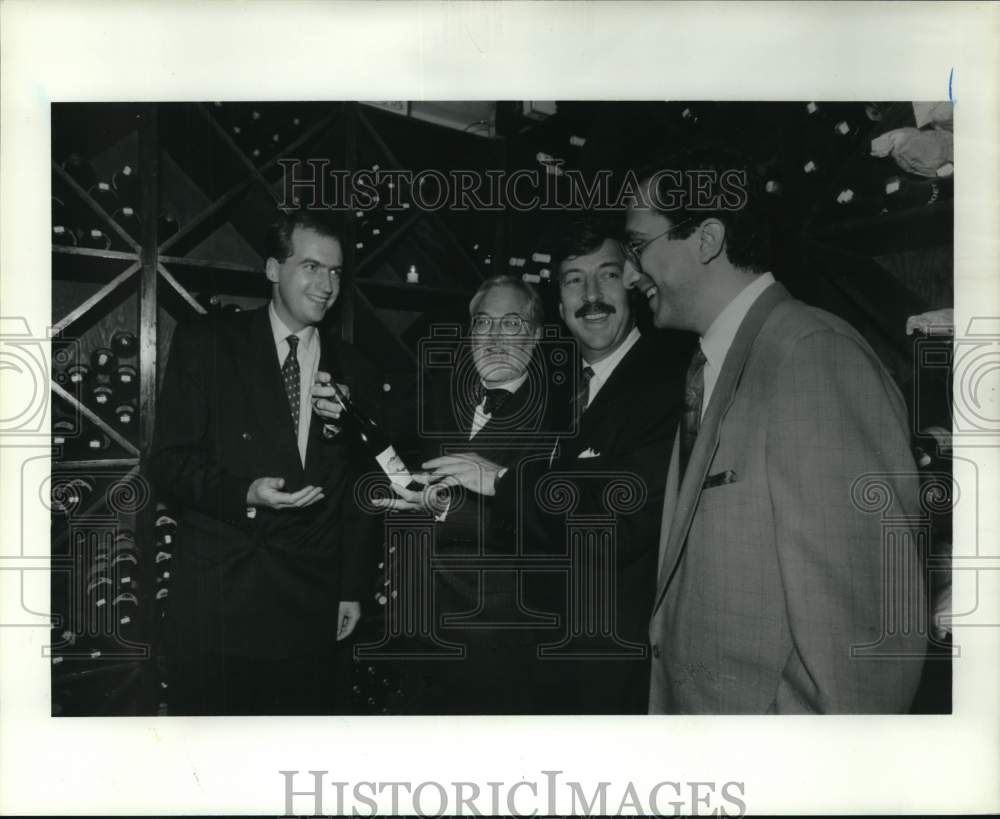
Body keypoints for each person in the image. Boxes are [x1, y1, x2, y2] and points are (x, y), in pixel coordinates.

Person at [623, 146, 927, 713]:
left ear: (707, 239)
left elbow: (867, 645)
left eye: (639, 247)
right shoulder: (716, 362)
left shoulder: (811, 357)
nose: (629, 273)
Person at [149, 208, 379, 715]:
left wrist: (352, 589)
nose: (327, 285)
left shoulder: (355, 368)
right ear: (273, 270)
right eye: (312, 267)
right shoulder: (208, 343)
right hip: (220, 601)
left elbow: (362, 488)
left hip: (310, 606)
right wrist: (243, 492)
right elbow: (167, 462)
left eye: (336, 271)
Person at [489, 214, 689, 714]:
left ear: (634, 286)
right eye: (575, 281)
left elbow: (616, 515)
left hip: (614, 663)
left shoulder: (675, 384)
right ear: (560, 305)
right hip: (534, 655)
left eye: (608, 274)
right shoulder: (549, 386)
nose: (592, 295)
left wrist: (502, 482)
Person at [374, 275, 561, 713]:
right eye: (483, 323)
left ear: (534, 337)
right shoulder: (439, 398)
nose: (494, 338)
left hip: (494, 639)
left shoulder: (561, 416)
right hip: (412, 626)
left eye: (511, 324)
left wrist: (438, 509)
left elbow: (546, 528)